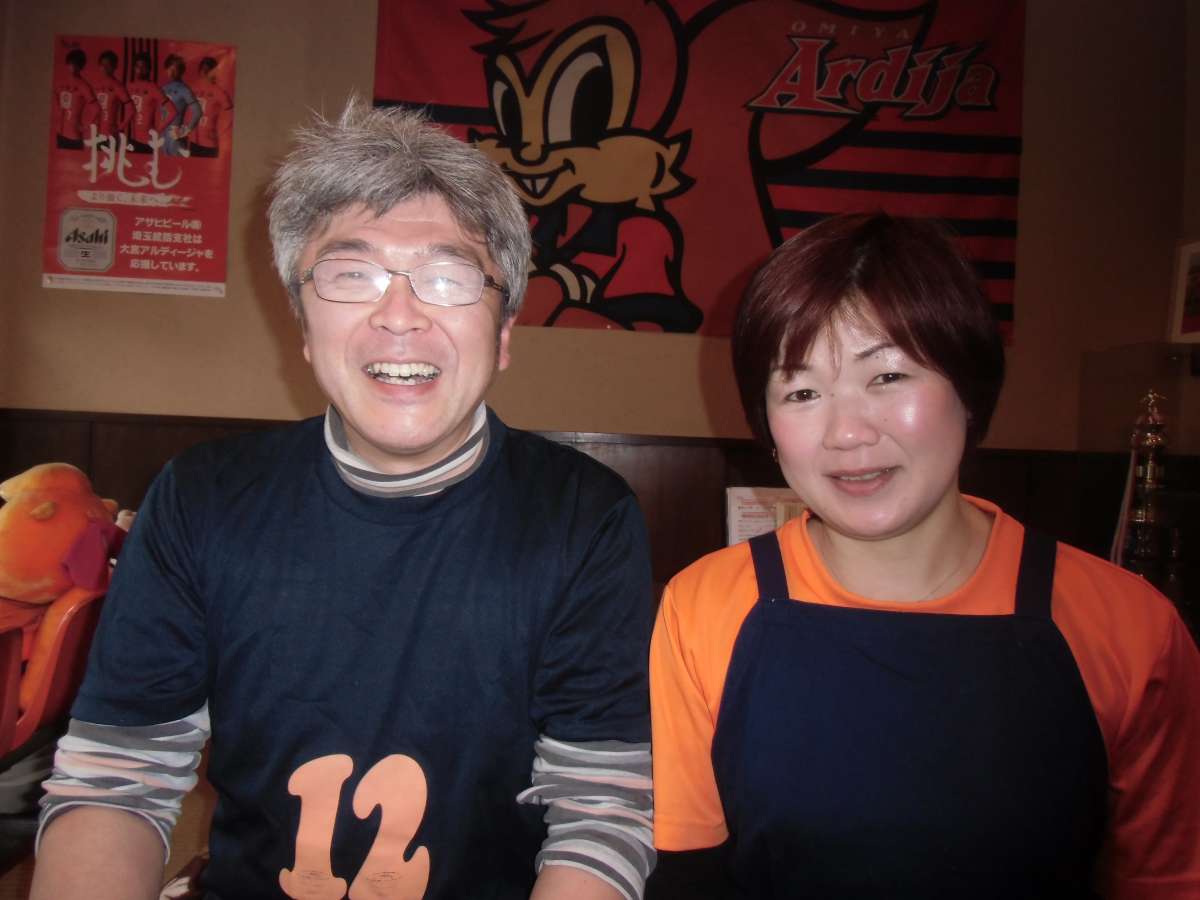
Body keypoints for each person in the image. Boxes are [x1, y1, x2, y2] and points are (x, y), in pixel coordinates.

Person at [32, 99, 655, 900]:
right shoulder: (201, 499)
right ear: (302, 326)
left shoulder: (583, 516)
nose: (399, 316)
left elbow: (600, 812)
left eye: (447, 277)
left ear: (503, 332)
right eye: (351, 275)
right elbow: (117, 784)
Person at [648, 213, 1200, 898]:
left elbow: (1166, 880)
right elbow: (689, 875)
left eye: (887, 376)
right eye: (802, 392)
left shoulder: (1129, 626)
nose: (847, 433)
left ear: (969, 388)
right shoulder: (703, 609)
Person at [188, 56, 233, 159]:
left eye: (207, 70)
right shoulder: (192, 88)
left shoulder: (219, 92)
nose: (204, 72)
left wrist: (221, 132)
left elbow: (231, 114)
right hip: (193, 143)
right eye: (203, 69)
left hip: (209, 145)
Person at [52, 48, 96, 150]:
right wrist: (58, 111)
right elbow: (56, 98)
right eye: (71, 63)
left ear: (81, 66)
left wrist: (85, 126)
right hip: (60, 133)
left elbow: (96, 109)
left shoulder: (84, 86)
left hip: (73, 137)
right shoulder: (61, 83)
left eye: (76, 64)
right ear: (68, 63)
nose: (73, 66)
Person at [159, 54, 202, 156]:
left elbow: (198, 112)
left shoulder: (184, 89)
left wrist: (184, 130)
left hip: (175, 136)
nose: (172, 72)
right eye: (170, 69)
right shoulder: (163, 89)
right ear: (166, 69)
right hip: (162, 136)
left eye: (175, 69)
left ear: (181, 71)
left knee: (177, 165)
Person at [126, 53, 167, 154]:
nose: (140, 70)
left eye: (143, 67)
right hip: (131, 139)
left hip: (147, 142)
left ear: (148, 69)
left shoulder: (153, 88)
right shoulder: (129, 87)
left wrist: (158, 130)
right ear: (134, 68)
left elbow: (171, 111)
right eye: (137, 66)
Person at [89, 49, 131, 141]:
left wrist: (120, 128)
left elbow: (131, 110)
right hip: (96, 135)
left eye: (108, 65)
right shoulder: (95, 85)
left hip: (110, 136)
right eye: (102, 65)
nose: (105, 68)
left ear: (114, 66)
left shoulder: (118, 86)